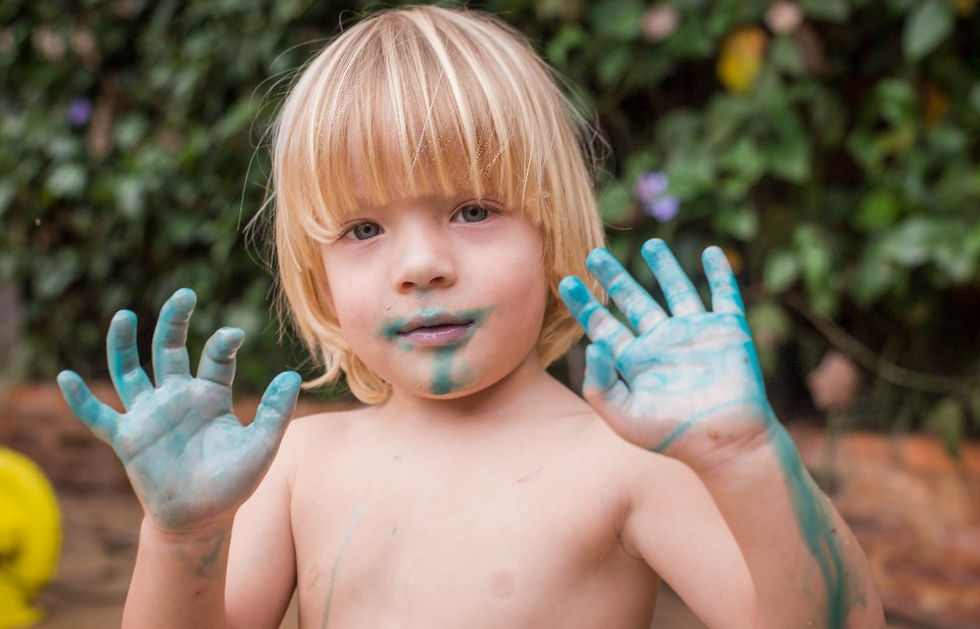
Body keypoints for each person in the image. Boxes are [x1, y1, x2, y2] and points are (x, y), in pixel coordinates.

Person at [56, 5, 885, 628]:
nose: (421, 266)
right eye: (364, 229)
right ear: (318, 272)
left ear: (552, 228)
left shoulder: (625, 463)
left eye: (474, 210)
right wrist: (182, 537)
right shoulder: (295, 464)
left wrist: (747, 456)